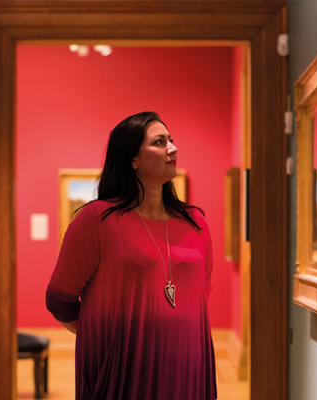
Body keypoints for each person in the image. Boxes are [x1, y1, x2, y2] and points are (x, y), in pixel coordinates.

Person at [46, 111, 217, 399]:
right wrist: (107, 339)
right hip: (125, 367)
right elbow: (59, 299)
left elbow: (202, 293)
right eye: (159, 142)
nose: (172, 148)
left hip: (189, 361)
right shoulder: (97, 220)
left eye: (171, 140)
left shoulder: (195, 221)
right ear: (132, 159)